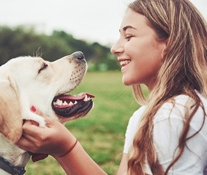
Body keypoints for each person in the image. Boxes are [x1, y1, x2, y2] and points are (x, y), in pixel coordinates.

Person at [17, 0, 207, 174]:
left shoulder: (172, 114)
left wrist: (66, 148)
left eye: (129, 36)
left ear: (171, 43)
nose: (115, 48)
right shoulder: (145, 116)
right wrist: (62, 149)